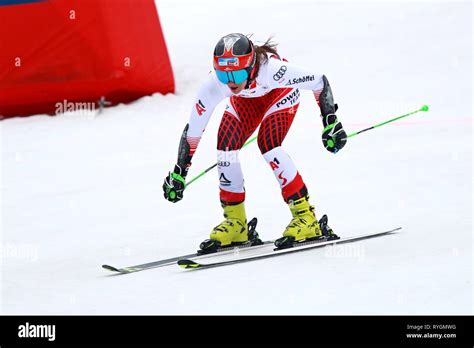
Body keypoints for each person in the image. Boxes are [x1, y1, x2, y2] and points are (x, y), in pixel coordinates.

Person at [163, 33, 346, 250]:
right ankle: (235, 221)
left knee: (269, 145)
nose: (231, 82)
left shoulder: (272, 70)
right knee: (226, 148)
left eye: (238, 74)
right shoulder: (215, 83)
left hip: (279, 95)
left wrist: (330, 122)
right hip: (246, 103)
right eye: (224, 76)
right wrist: (179, 172)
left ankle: (306, 217)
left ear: (250, 68)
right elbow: (193, 130)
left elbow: (319, 81)